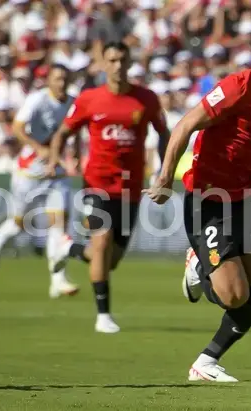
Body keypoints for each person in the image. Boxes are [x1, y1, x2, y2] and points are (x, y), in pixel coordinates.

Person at [143, 15, 251, 383]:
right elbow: (185, 124)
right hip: (208, 195)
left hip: (249, 193)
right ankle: (199, 264)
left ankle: (206, 361)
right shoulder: (239, 86)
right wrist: (164, 177)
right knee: (234, 296)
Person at [46, 42, 170, 333]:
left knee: (109, 260)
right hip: (97, 184)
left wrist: (165, 172)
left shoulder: (146, 99)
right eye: (112, 60)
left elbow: (164, 134)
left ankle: (69, 248)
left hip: (131, 188)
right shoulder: (90, 99)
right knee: (101, 244)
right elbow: (63, 132)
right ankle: (103, 315)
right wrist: (55, 159)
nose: (117, 66)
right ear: (103, 63)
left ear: (129, 63)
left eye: (122, 60)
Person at [0, 64, 79, 298]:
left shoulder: (73, 102)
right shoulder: (37, 100)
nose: (61, 83)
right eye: (57, 79)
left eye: (64, 79)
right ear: (49, 82)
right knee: (18, 225)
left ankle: (58, 279)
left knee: (59, 224)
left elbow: (74, 132)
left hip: (56, 171)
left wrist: (73, 155)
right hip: (29, 172)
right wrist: (38, 148)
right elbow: (17, 127)